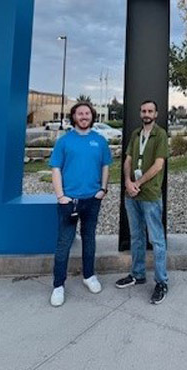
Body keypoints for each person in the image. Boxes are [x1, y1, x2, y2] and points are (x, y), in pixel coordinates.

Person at [48, 102, 112, 307]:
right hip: (69, 201)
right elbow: (56, 169)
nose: (84, 116)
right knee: (63, 243)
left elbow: (105, 166)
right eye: (80, 113)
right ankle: (58, 285)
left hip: (92, 200)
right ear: (73, 116)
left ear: (92, 116)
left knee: (89, 239)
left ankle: (89, 275)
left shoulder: (100, 141)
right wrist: (60, 196)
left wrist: (102, 189)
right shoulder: (64, 141)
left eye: (87, 113)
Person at [115, 100, 170, 304]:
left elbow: (158, 165)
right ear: (140, 113)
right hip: (132, 195)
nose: (146, 113)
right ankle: (137, 275)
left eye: (150, 111)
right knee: (136, 237)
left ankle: (161, 282)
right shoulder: (136, 134)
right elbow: (128, 159)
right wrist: (128, 182)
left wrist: (137, 182)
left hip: (150, 196)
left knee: (156, 240)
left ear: (156, 114)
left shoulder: (161, 135)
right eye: (143, 110)